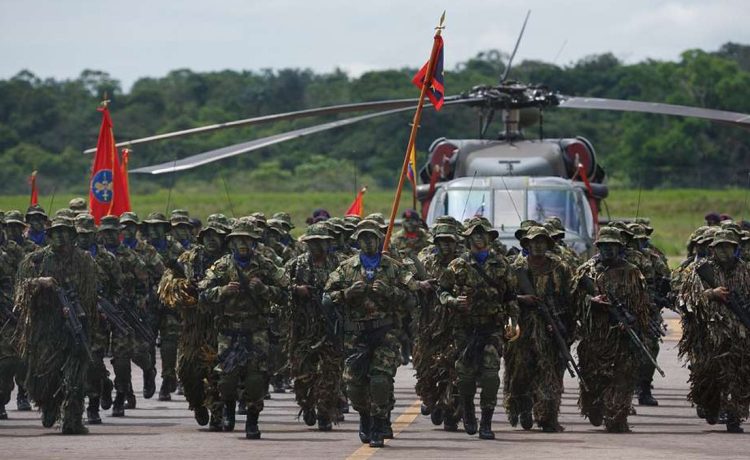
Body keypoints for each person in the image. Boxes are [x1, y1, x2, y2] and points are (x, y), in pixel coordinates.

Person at [198, 219, 288, 439]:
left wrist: (264, 289)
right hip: (228, 331)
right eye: (239, 240)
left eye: (247, 240)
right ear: (231, 242)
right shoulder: (222, 266)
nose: (243, 244)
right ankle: (229, 410)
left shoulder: (265, 265)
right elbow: (203, 294)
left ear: (254, 242)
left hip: (256, 331)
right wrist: (223, 291)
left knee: (255, 379)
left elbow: (285, 294)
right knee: (227, 379)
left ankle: (252, 421)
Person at [324, 219, 406, 447]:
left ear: (379, 240)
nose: (368, 242)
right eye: (363, 238)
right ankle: (365, 416)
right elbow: (327, 298)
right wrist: (346, 293)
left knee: (380, 380)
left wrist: (391, 292)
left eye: (372, 237)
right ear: (357, 241)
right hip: (356, 336)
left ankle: (379, 425)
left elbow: (412, 298)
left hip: (384, 333)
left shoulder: (393, 267)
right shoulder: (346, 268)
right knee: (355, 385)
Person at [438, 216, 520, 440]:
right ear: (468, 238)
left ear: (490, 237)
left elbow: (511, 296)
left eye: (483, 234)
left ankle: (486, 422)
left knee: (491, 375)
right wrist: (453, 301)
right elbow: (442, 291)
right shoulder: (457, 265)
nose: (479, 238)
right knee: (465, 376)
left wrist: (513, 320)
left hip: (492, 328)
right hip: (465, 329)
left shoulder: (501, 264)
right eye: (475, 234)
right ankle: (467, 409)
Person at [14, 215, 97, 434]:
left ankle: (72, 421)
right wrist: (39, 282)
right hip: (45, 326)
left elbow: (90, 293)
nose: (61, 236)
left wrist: (81, 314)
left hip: (74, 324)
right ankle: (49, 406)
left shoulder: (85, 260)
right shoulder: (36, 260)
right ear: (49, 236)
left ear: (72, 235)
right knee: (44, 375)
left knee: (75, 376)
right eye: (56, 232)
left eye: (65, 232)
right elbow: (20, 289)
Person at [573, 226, 650, 433]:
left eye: (612, 245)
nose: (608, 249)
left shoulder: (632, 272)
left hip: (623, 337)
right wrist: (591, 301)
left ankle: (617, 415)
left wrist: (632, 322)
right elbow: (573, 299)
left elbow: (641, 305)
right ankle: (595, 406)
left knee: (623, 377)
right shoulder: (586, 271)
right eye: (604, 245)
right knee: (593, 378)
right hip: (595, 337)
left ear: (620, 247)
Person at [160, 214, 229, 429]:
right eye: (208, 235)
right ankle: (197, 403)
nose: (212, 240)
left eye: (217, 236)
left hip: (222, 323)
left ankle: (217, 412)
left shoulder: (230, 261)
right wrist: (184, 287)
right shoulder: (188, 258)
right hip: (193, 324)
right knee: (186, 370)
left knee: (218, 370)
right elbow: (166, 283)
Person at [678, 230, 750, 433]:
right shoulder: (700, 270)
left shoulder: (745, 271)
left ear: (736, 249)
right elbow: (683, 300)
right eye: (720, 247)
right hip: (708, 333)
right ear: (712, 249)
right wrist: (711, 293)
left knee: (740, 374)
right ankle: (711, 405)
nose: (724, 251)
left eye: (728, 246)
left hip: (740, 335)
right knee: (709, 375)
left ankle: (734, 415)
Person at [286, 223, 343, 431]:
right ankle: (307, 404)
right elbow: (280, 286)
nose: (316, 246)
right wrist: (296, 289)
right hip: (303, 328)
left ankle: (324, 412)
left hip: (330, 327)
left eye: (320, 242)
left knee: (330, 373)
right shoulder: (296, 264)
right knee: (302, 374)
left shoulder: (339, 263)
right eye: (312, 242)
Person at [414, 222, 463, 431]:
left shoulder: (464, 263)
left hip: (457, 325)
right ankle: (433, 400)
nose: (445, 245)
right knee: (427, 370)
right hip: (429, 324)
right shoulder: (425, 261)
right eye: (441, 241)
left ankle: (451, 410)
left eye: (449, 241)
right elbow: (405, 279)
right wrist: (420, 285)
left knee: (455, 371)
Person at [75, 213, 122, 425]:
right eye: (80, 235)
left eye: (87, 234)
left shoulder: (107, 259)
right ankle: (77, 403)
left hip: (97, 322)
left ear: (95, 235)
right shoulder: (68, 258)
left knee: (93, 362)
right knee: (75, 364)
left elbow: (118, 289)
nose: (84, 238)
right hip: (71, 319)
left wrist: (108, 307)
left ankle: (93, 406)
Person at [142, 212, 184, 401]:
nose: (154, 230)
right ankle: (149, 372)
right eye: (151, 226)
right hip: (148, 303)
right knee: (147, 342)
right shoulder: (142, 248)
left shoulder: (175, 247)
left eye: (157, 226)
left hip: (170, 302)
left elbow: (184, 273)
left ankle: (168, 379)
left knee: (169, 343)